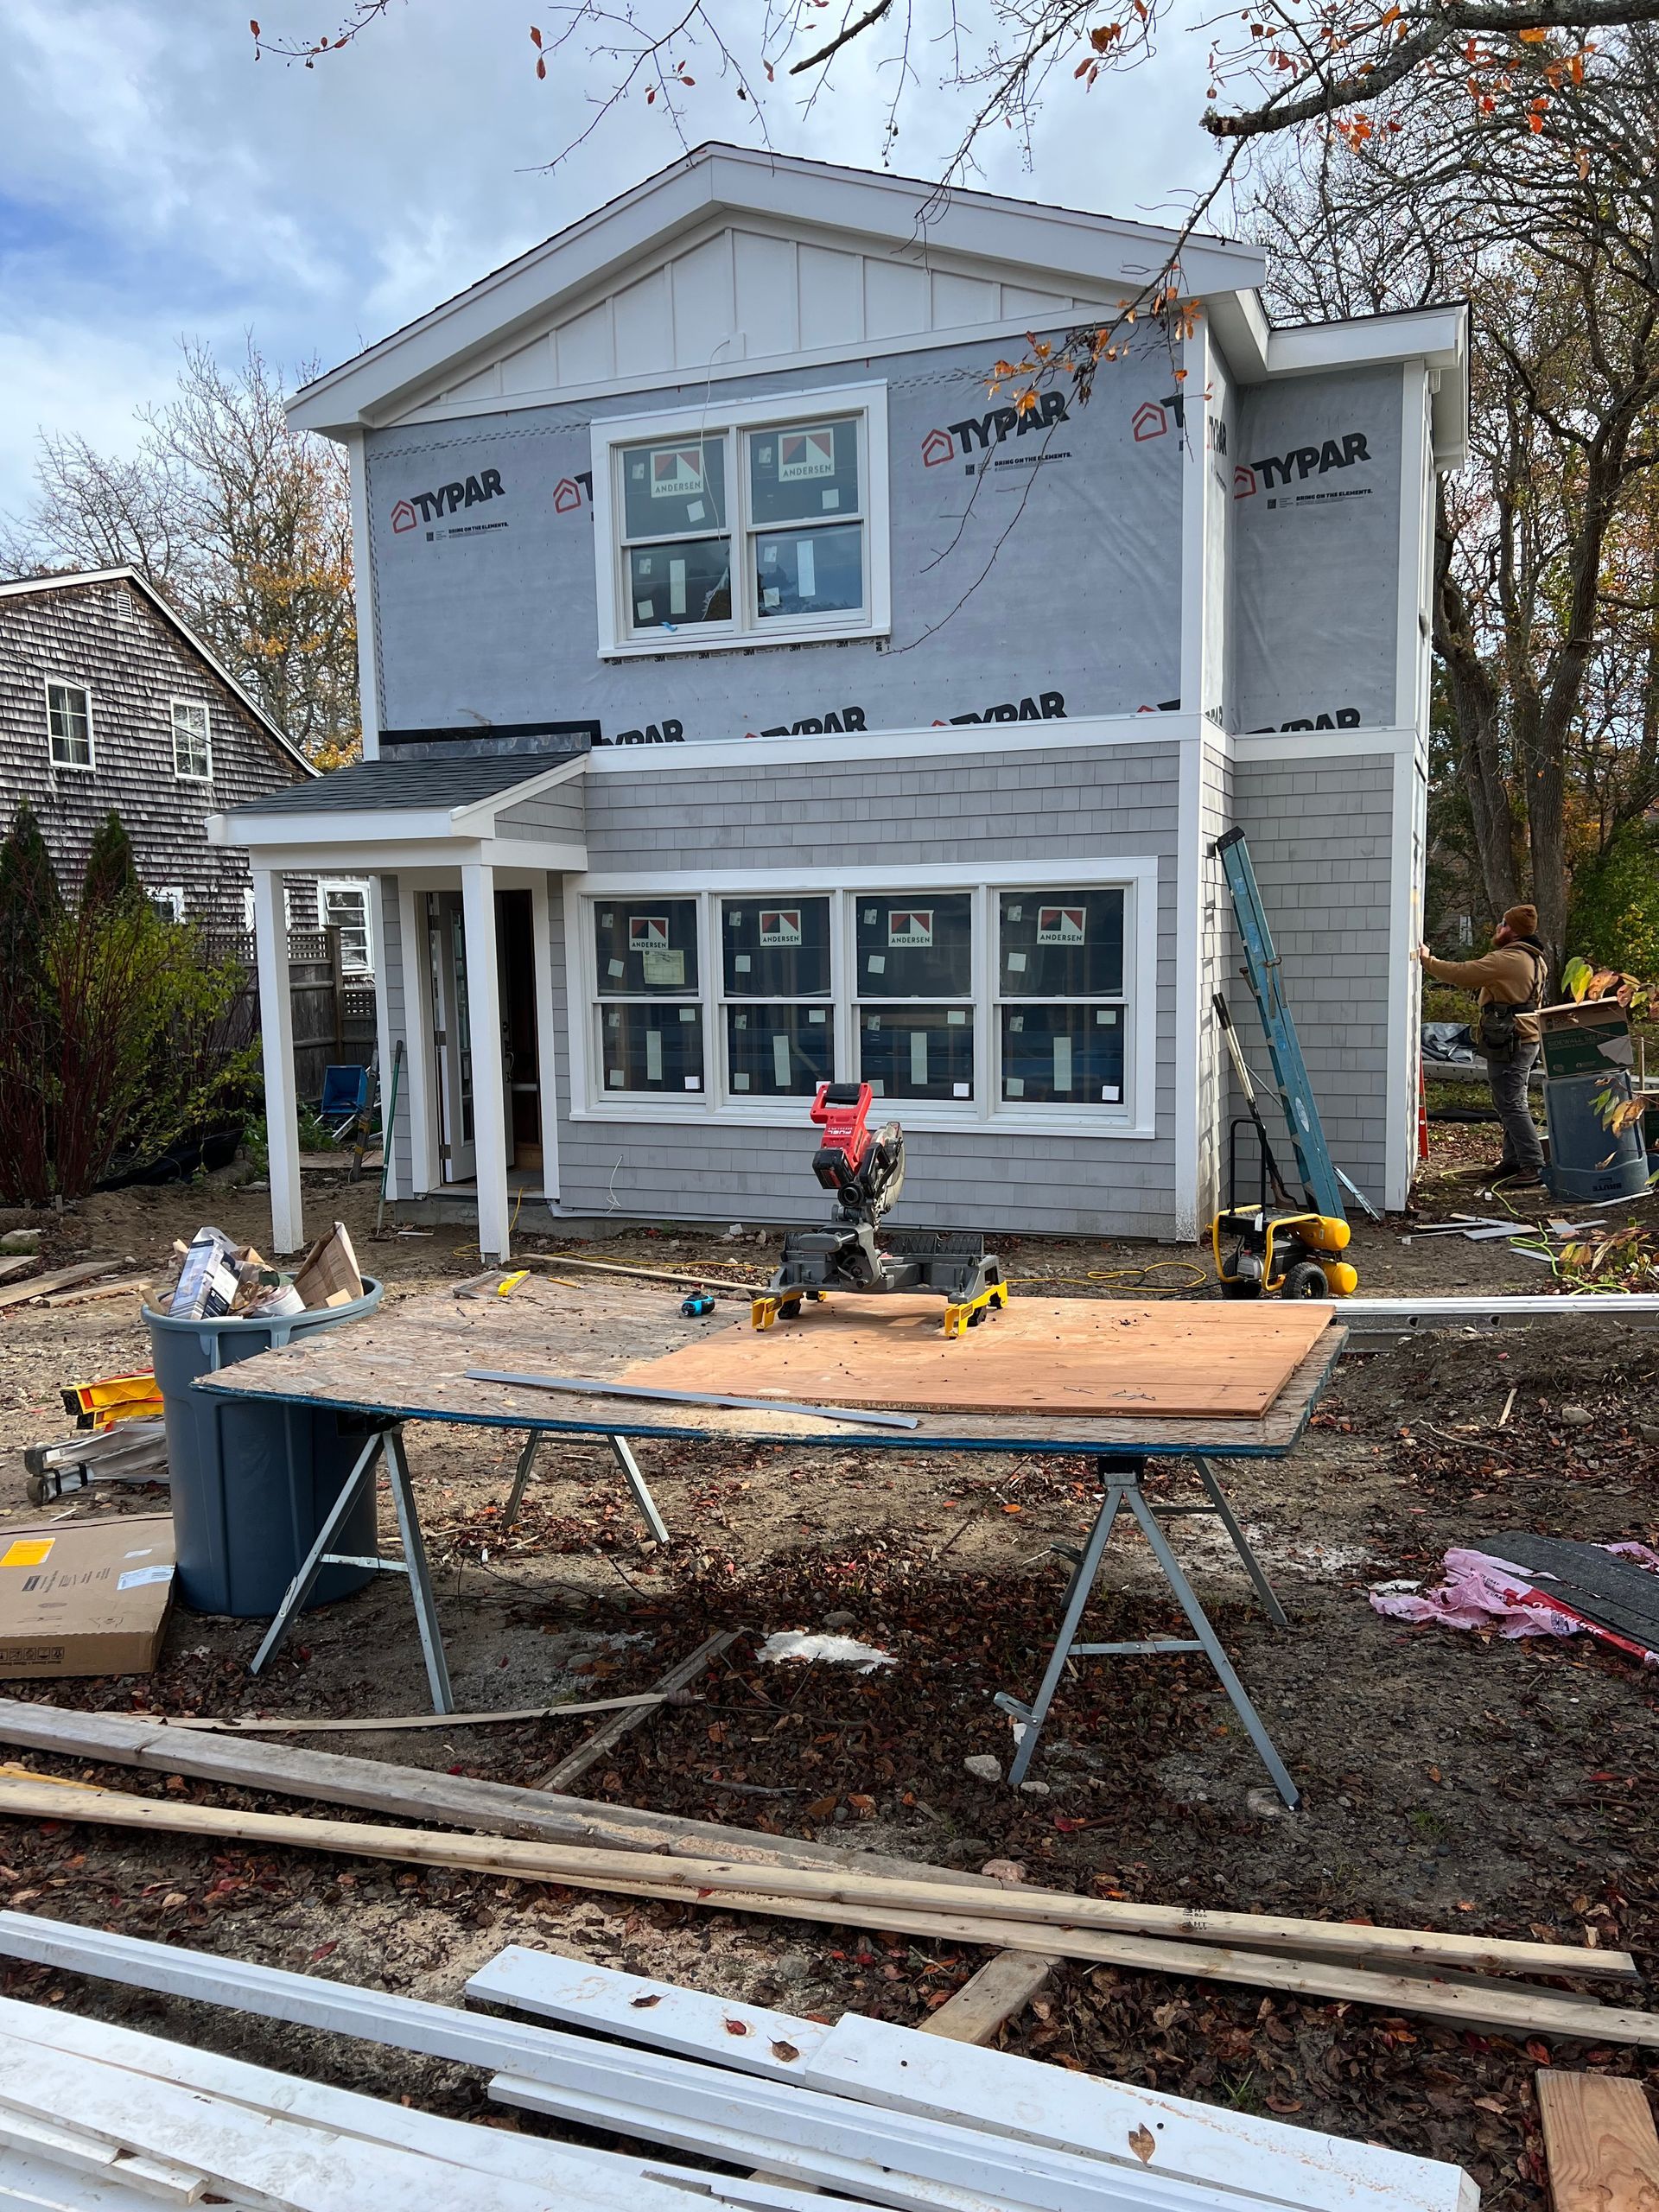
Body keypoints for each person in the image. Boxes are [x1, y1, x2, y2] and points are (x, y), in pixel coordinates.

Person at [1417, 905, 1549, 1185]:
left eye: (1502, 924)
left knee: (1512, 1103)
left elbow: (1462, 973)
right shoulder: (1535, 958)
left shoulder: (1509, 959)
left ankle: (1532, 1165)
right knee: (1509, 1101)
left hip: (1512, 1038)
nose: (1498, 929)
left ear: (1511, 929)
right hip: (1523, 1036)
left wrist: (1428, 960)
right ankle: (1513, 1161)